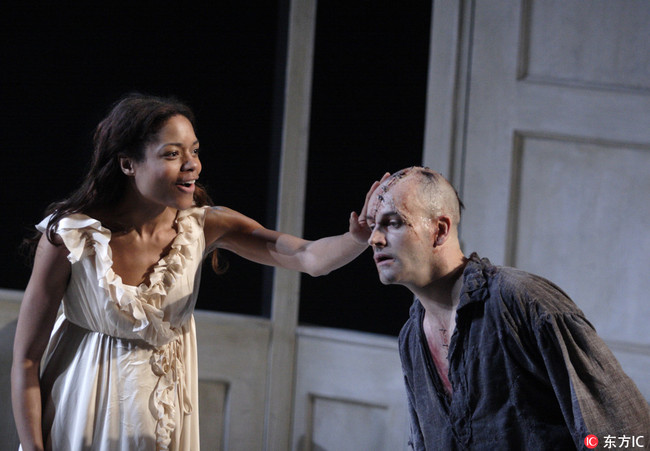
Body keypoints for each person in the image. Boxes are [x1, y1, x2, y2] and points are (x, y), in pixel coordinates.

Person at [11, 94, 380, 451]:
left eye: (195, 151)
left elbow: (308, 257)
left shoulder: (203, 227)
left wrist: (356, 238)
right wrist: (32, 447)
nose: (192, 165)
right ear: (128, 164)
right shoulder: (72, 238)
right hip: (80, 418)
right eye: (172, 154)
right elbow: (26, 359)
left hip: (162, 423)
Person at [363, 166, 650, 450]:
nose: (374, 239)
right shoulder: (411, 338)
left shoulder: (524, 301)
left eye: (393, 223)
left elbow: (630, 435)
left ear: (439, 230)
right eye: (374, 225)